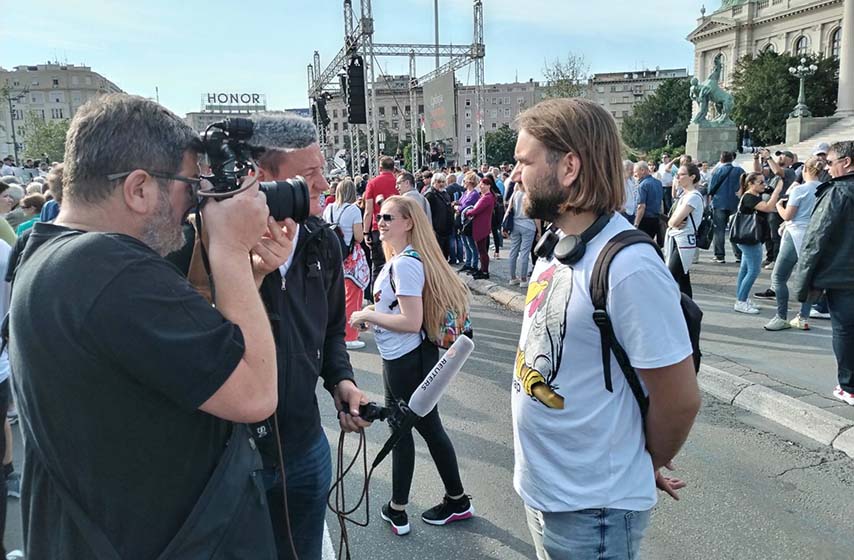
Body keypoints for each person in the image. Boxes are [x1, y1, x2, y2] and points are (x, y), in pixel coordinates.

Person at [8, 93, 279, 558]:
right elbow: (255, 394)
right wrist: (230, 251)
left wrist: (247, 276)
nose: (195, 206)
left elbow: (180, 358)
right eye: (190, 188)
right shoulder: (111, 268)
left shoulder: (47, 253)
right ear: (138, 189)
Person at [510, 98, 699, 560]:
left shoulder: (630, 266)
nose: (516, 175)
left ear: (569, 166)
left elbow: (679, 399)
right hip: (549, 494)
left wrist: (639, 462)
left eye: (524, 162)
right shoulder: (557, 244)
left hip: (591, 511)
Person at [247, 112, 371, 560]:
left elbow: (333, 329)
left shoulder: (323, 239)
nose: (324, 184)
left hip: (305, 448)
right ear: (261, 178)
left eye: (323, 171)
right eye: (309, 175)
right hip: (237, 462)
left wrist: (342, 380)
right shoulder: (211, 249)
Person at [348, 195, 473, 537]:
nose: (381, 222)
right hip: (409, 357)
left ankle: (398, 509)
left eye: (389, 217)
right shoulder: (405, 260)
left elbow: (410, 320)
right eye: (379, 216)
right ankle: (457, 500)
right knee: (428, 428)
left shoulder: (405, 264)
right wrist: (376, 316)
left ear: (409, 223)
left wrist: (367, 314)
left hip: (406, 358)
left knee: (402, 430)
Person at [795, 141, 854, 406]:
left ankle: (848, 387)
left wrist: (803, 281)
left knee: (844, 330)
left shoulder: (837, 192)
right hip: (844, 273)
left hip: (843, 276)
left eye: (830, 163)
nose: (826, 169)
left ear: (847, 162)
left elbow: (816, 238)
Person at [763, 157, 824, 331]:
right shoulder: (824, 189)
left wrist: (780, 205)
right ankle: (803, 317)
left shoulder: (800, 190)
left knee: (779, 277)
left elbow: (788, 216)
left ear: (805, 169)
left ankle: (781, 316)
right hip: (814, 235)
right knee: (808, 277)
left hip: (795, 232)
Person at [323, 179, 370, 350]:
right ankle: (350, 335)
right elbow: (358, 237)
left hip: (332, 257)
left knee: (335, 297)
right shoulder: (353, 210)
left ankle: (334, 332)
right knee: (353, 296)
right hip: (350, 258)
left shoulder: (328, 208)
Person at [733, 172, 783, 314]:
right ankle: (741, 301)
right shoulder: (749, 197)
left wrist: (772, 189)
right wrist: (777, 191)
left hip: (748, 238)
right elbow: (767, 207)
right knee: (754, 270)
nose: (764, 184)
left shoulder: (753, 195)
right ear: (751, 184)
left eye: (764, 181)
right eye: (760, 182)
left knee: (744, 269)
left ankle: (741, 298)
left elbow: (769, 197)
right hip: (749, 238)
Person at [665, 163, 705, 298]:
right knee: (682, 278)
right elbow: (672, 220)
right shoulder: (684, 194)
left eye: (682, 174)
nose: (678, 177)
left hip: (684, 241)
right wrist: (672, 221)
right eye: (678, 174)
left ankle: (684, 312)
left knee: (671, 277)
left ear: (692, 177)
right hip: (677, 238)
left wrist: (672, 222)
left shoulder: (693, 196)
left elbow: (673, 221)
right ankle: (688, 313)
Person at [754, 149, 797, 268]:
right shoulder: (773, 171)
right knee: (767, 235)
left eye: (785, 155)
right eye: (780, 155)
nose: (781, 157)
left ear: (791, 160)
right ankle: (770, 257)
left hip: (777, 208)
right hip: (767, 207)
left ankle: (777, 259)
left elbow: (778, 171)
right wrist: (756, 158)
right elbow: (758, 171)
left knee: (775, 235)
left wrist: (768, 157)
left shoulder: (789, 172)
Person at [363, 157, 399, 288]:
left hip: (377, 228)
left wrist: (366, 232)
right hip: (396, 228)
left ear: (380, 168)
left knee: (377, 266)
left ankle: (376, 300)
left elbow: (368, 210)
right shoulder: (398, 183)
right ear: (393, 168)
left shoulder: (372, 183)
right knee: (396, 264)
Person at [707, 151, 745, 263]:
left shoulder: (717, 171)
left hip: (719, 203)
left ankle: (719, 255)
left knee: (719, 230)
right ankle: (739, 255)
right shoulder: (740, 171)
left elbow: (710, 189)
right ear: (732, 159)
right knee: (735, 229)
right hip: (735, 202)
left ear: (721, 159)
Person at [506, 181, 539, 288]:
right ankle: (523, 279)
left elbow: (508, 210)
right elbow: (535, 215)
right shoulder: (530, 196)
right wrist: (539, 231)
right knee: (525, 253)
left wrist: (504, 225)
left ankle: (512, 277)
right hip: (528, 225)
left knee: (513, 251)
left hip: (515, 224)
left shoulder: (515, 194)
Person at [463, 177, 496, 280]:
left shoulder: (487, 197)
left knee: (482, 251)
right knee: (481, 250)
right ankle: (483, 269)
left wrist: (466, 212)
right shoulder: (486, 196)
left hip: (481, 226)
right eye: (480, 184)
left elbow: (475, 210)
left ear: (489, 186)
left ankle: (484, 271)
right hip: (482, 225)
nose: (481, 186)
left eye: (483, 184)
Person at [424, 173, 454, 259]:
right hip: (436, 231)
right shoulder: (430, 195)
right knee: (437, 256)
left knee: (444, 255)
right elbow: (426, 213)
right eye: (439, 182)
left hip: (446, 229)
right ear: (433, 182)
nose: (441, 184)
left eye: (443, 182)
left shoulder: (445, 193)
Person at [456, 171, 481, 273]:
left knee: (471, 244)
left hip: (469, 222)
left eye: (465, 180)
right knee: (465, 243)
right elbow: (460, 203)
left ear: (470, 182)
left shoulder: (474, 194)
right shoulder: (466, 193)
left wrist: (458, 207)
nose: (463, 182)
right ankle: (468, 263)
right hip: (462, 222)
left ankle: (474, 265)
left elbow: (464, 206)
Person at [632, 161, 663, 242]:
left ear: (642, 170)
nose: (634, 175)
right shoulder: (658, 183)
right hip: (656, 219)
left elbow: (641, 206)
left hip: (645, 219)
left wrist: (636, 224)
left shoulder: (642, 185)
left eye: (635, 172)